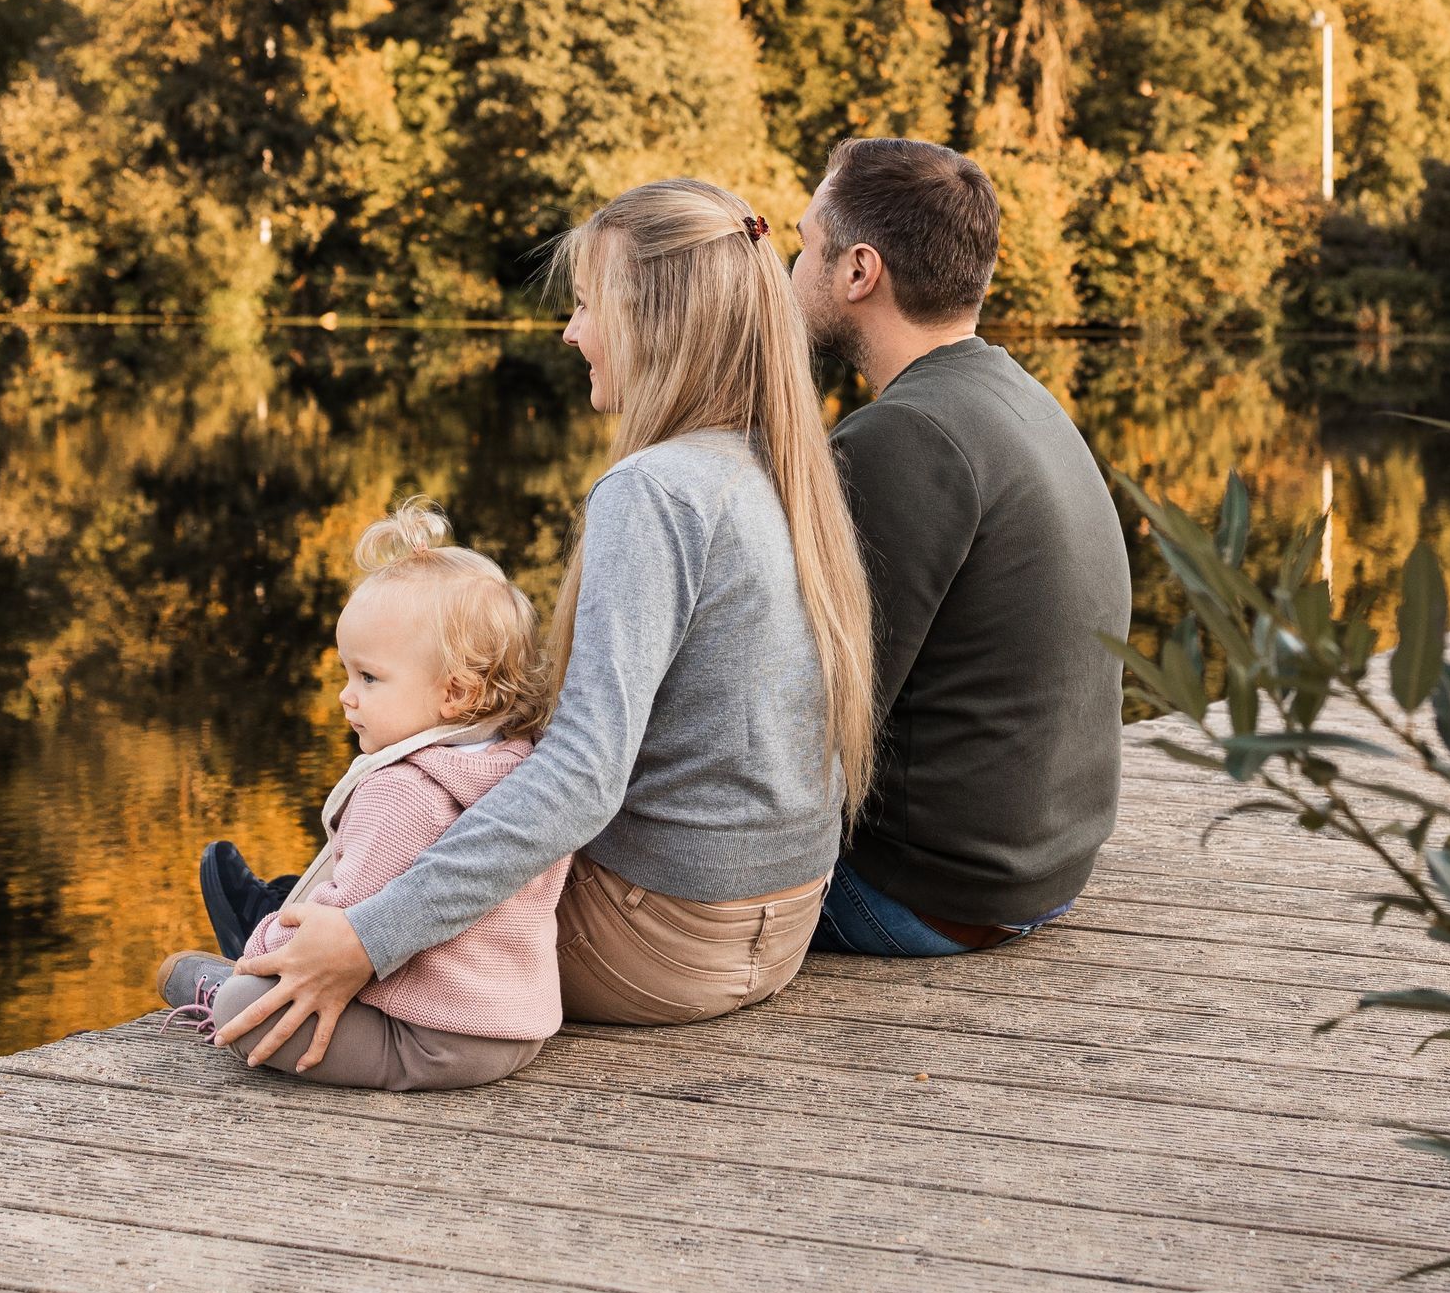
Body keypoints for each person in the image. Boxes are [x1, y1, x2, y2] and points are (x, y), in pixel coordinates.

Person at [216, 177, 875, 1069]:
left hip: (659, 949)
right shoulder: (780, 467)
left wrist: (372, 940)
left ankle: (294, 938)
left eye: (586, 304)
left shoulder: (652, 491)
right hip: (777, 928)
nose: (571, 332)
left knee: (419, 785)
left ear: (650, 321)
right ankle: (295, 920)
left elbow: (581, 780)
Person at [791, 134, 1130, 958]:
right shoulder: (1013, 394)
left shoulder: (904, 438)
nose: (788, 274)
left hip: (927, 895)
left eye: (802, 246)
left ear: (859, 271)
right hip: (1038, 870)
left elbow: (820, 712)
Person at [157, 500, 566, 1090]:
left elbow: (338, 931)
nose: (347, 696)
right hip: (520, 1026)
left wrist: (262, 948)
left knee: (242, 1005)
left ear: (453, 693)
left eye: (369, 678)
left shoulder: (401, 791)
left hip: (430, 1037)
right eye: (347, 674)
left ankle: (222, 985)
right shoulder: (528, 770)